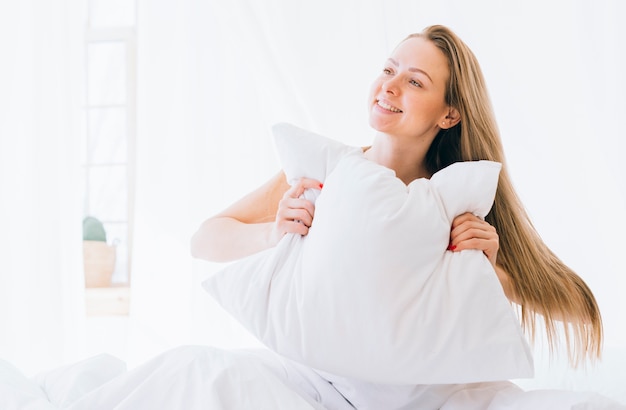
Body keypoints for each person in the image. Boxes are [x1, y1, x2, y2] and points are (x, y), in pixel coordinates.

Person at [191, 24, 603, 407]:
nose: (388, 86)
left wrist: (486, 274)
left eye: (414, 81)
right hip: (317, 384)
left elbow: (579, 310)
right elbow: (205, 239)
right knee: (199, 376)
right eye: (388, 70)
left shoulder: (457, 199)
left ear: (449, 114)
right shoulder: (324, 174)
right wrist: (276, 232)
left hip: (432, 396)